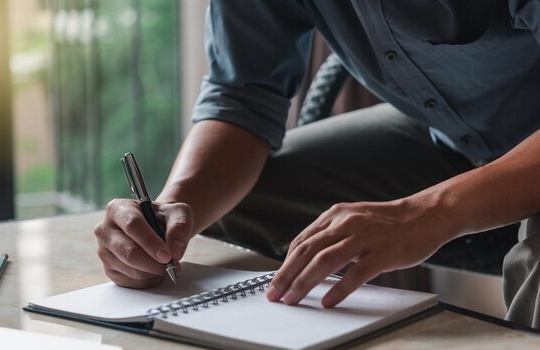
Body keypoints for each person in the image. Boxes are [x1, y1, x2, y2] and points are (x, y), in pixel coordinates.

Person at [94, 1, 540, 326]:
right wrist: (173, 212)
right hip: (451, 135)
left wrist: (430, 211)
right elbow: (241, 95)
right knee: (229, 210)